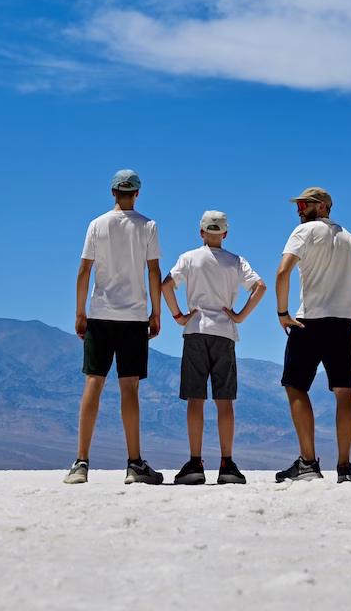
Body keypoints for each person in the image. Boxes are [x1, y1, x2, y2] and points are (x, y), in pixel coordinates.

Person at [66, 168, 165, 486]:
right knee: (130, 390)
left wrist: (81, 312)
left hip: (100, 315)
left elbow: (84, 271)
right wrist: (156, 312)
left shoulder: (97, 224)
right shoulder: (148, 226)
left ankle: (81, 463)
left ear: (112, 193)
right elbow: (154, 271)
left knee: (92, 385)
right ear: (137, 193)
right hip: (134, 318)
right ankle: (134, 464)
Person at [273, 186, 351, 484]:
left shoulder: (303, 233)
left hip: (309, 323)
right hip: (343, 325)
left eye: (303, 204)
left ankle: (308, 462)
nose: (298, 210)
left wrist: (282, 313)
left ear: (321, 207)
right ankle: (344, 466)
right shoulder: (349, 238)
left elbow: (283, 272)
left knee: (295, 387)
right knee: (344, 391)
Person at [159, 209, 266, 485]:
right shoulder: (235, 261)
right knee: (224, 401)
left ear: (202, 232)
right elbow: (260, 287)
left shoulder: (189, 258)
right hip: (225, 334)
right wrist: (240, 316)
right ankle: (227, 465)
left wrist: (178, 316)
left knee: (196, 399)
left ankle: (195, 463)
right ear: (226, 234)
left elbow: (166, 286)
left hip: (195, 331)